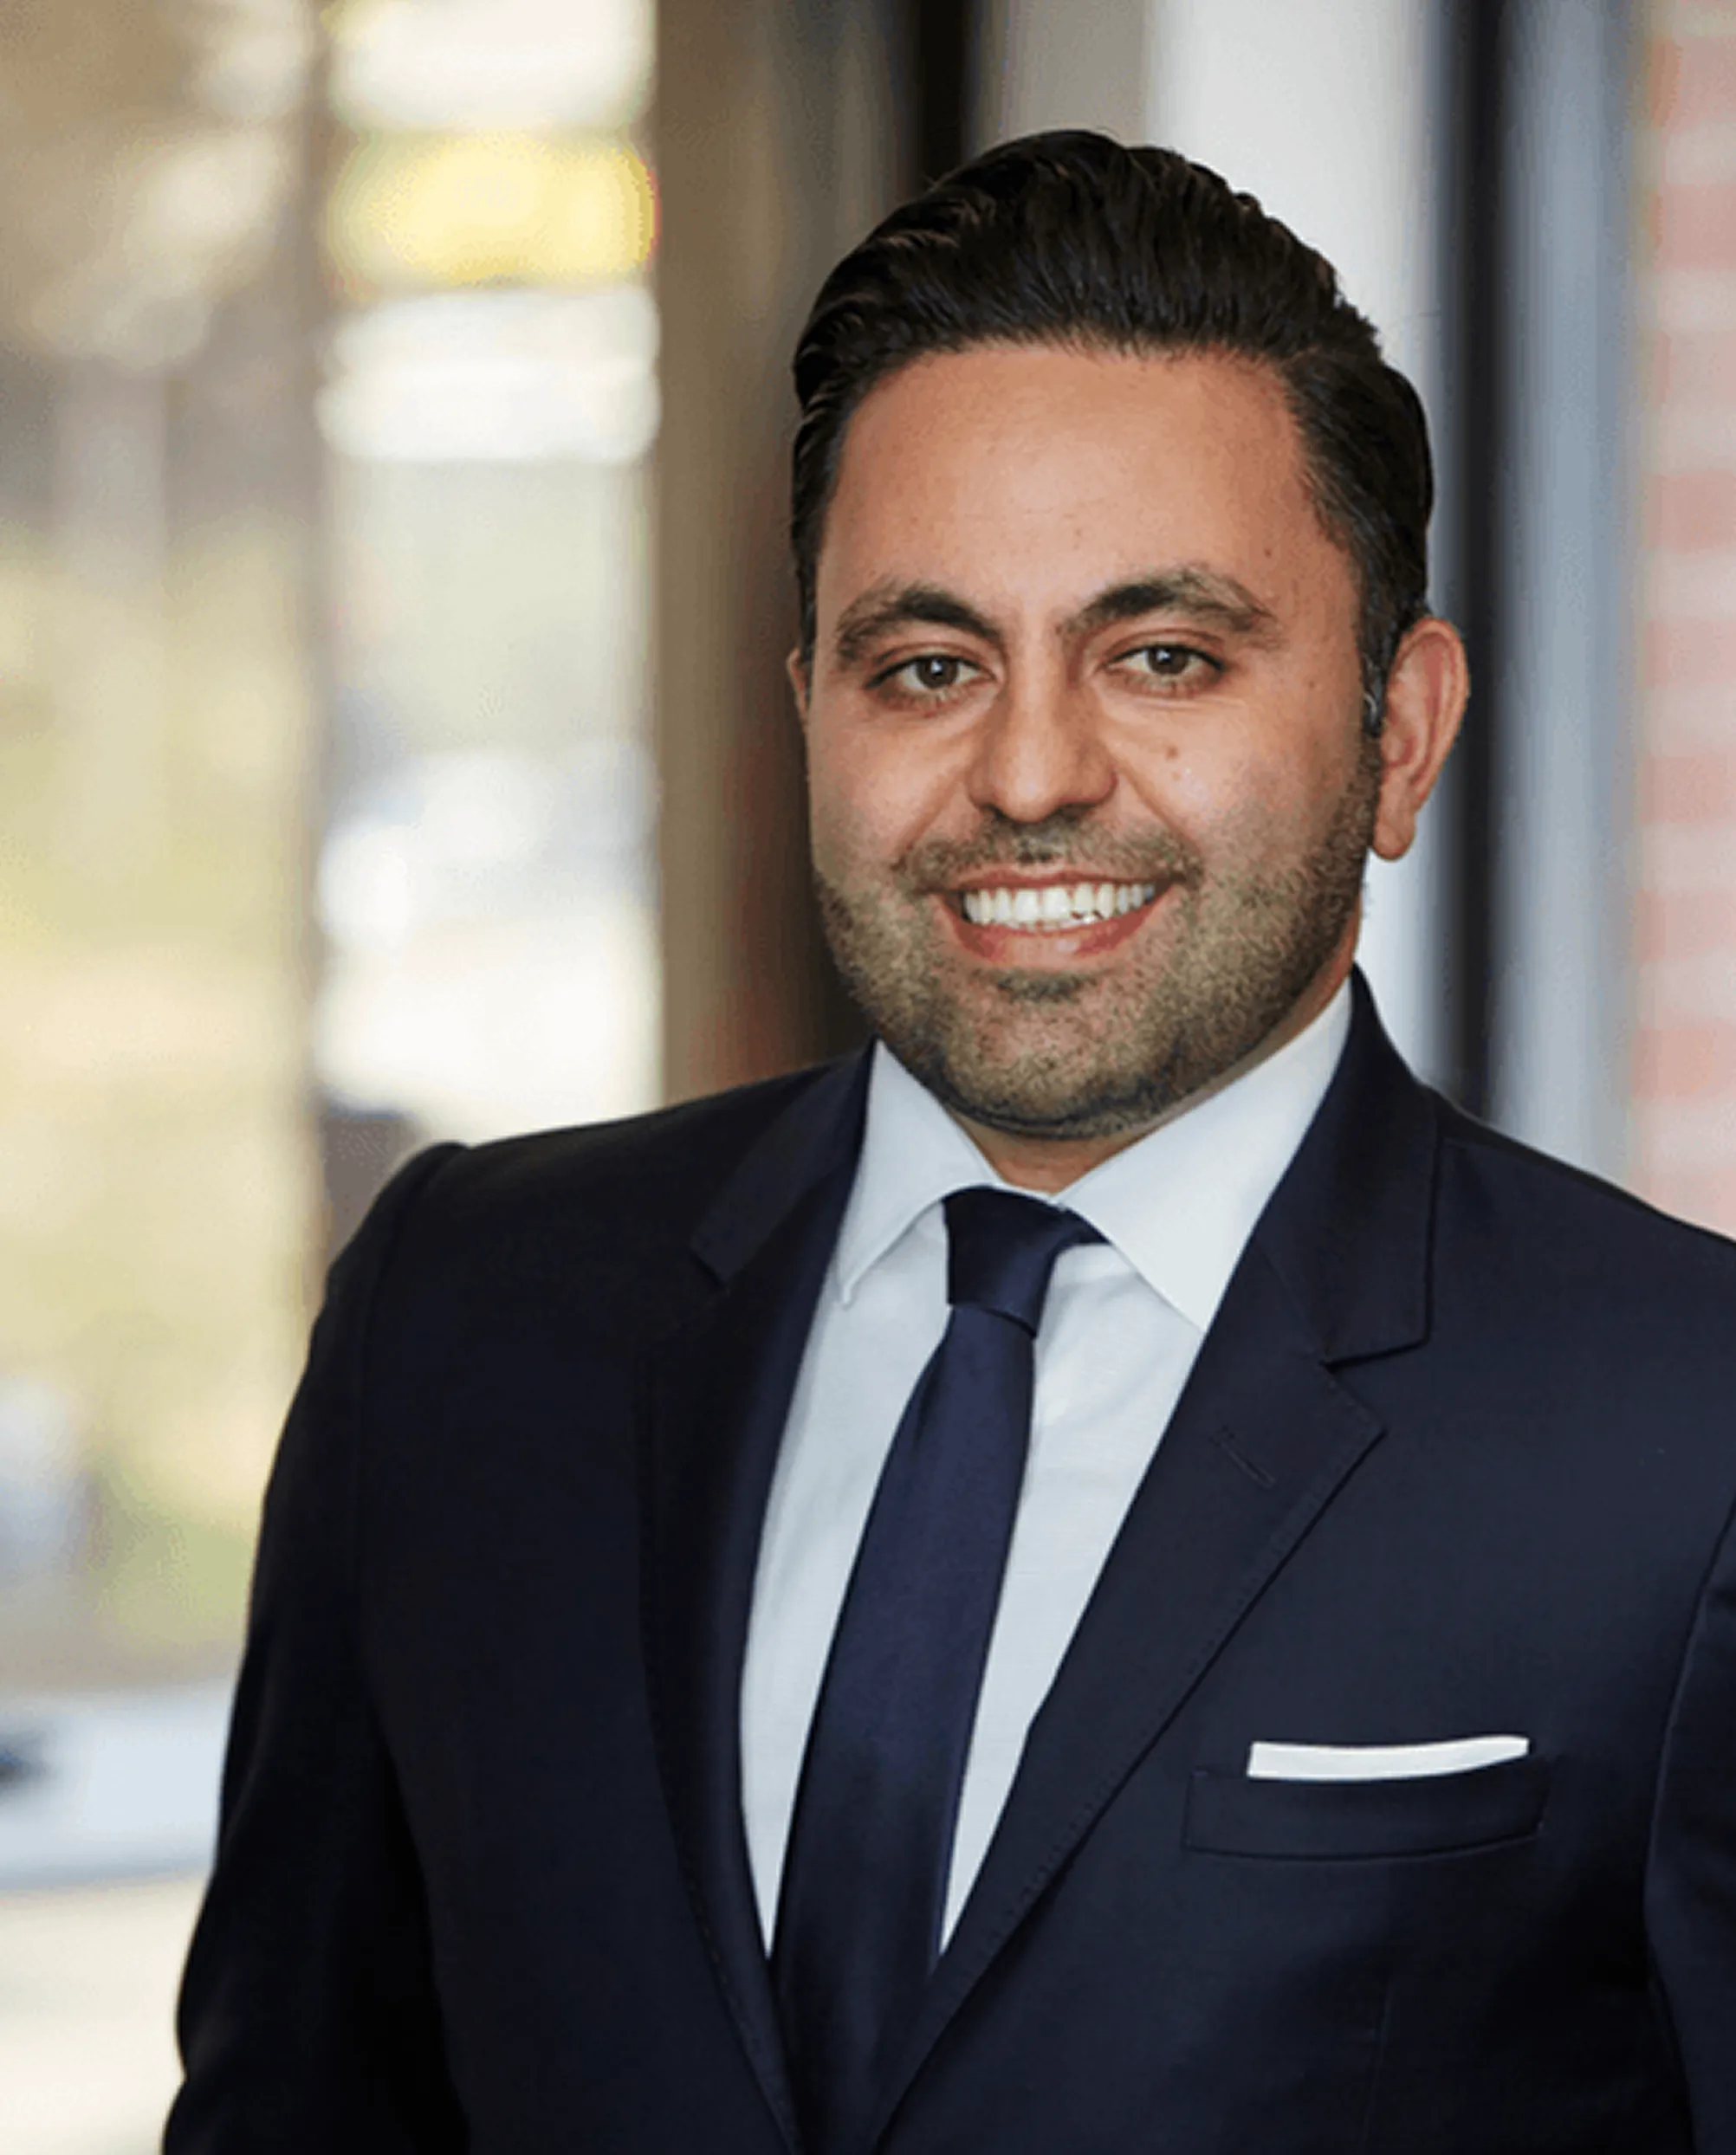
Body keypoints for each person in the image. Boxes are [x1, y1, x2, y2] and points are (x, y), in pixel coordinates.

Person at [166, 133, 1736, 2154]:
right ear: (807, 708)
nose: (1027, 773)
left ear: (1399, 728)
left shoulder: (1686, 1435)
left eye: (1163, 656)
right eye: (929, 665)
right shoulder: (462, 1320)